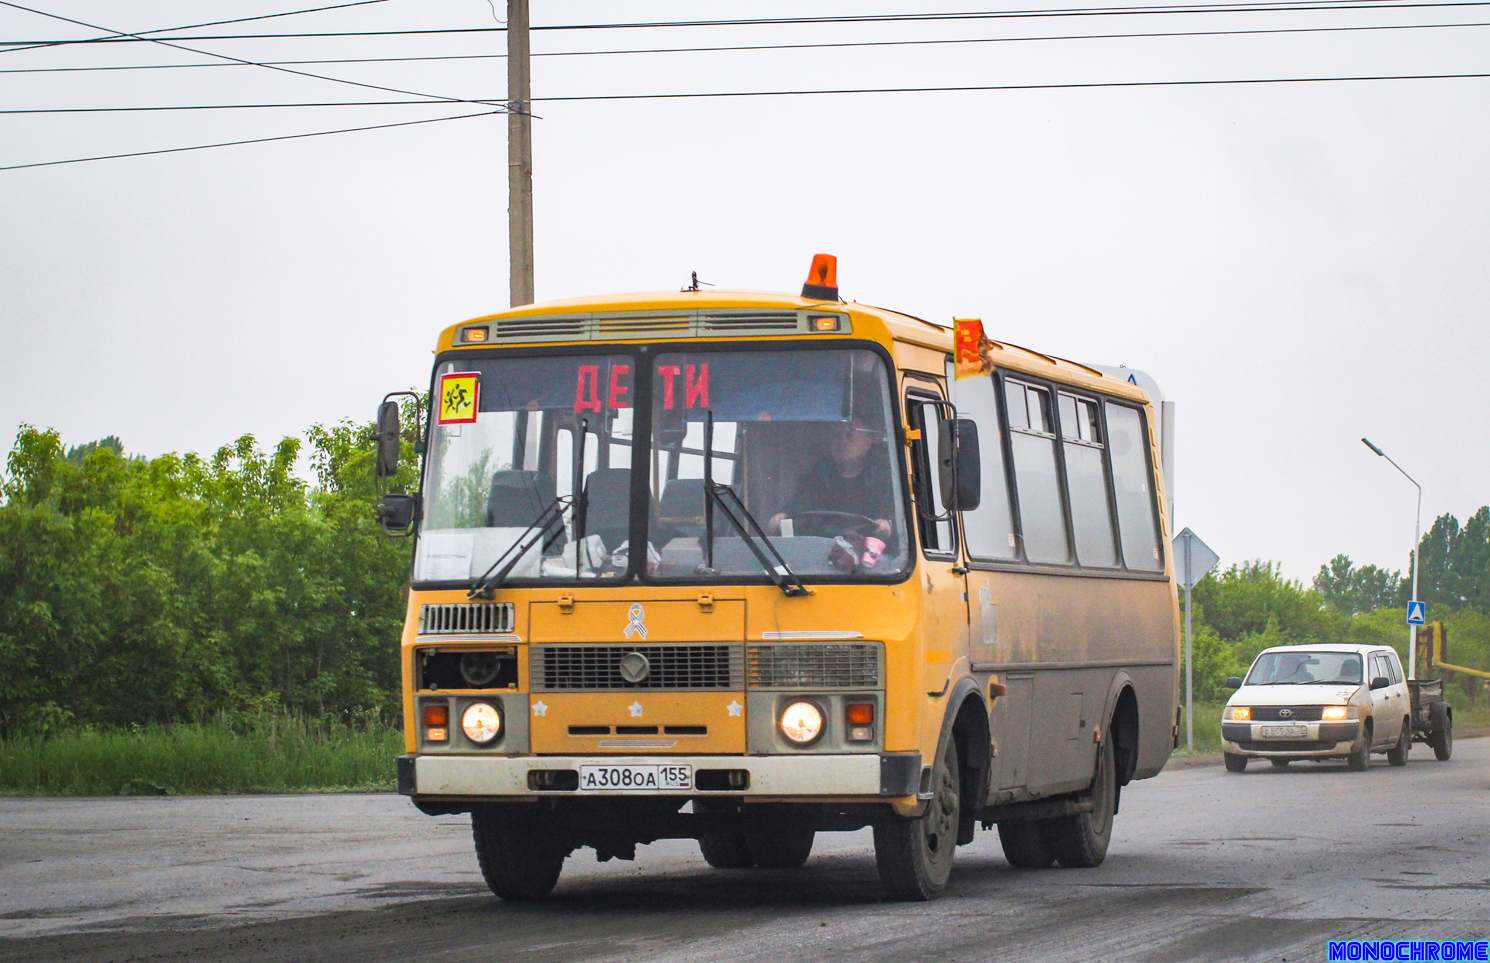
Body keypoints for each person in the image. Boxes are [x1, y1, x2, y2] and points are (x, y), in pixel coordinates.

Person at [769, 416, 894, 540]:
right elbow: (797, 509)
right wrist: (781, 518)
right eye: (836, 435)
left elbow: (900, 522)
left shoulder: (886, 479)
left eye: (849, 435)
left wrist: (888, 525)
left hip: (869, 555)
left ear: (867, 443)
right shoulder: (815, 479)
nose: (841, 441)